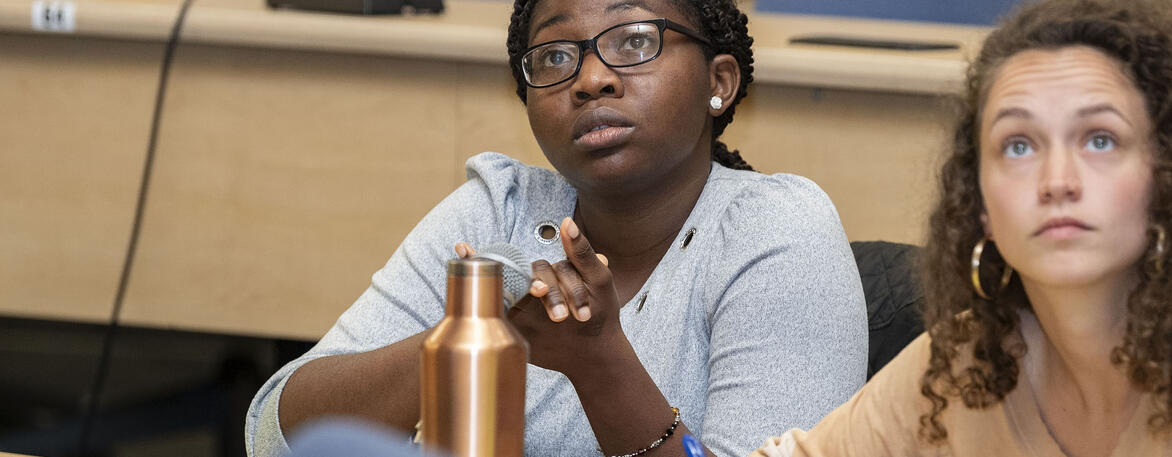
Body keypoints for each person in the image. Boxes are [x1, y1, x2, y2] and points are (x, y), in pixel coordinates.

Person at [752, 0, 1172, 455]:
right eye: (1018, 146)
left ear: (1171, 180)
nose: (1057, 179)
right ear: (981, 207)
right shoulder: (962, 367)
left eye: (1100, 139)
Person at [244, 0, 869, 455]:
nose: (591, 78)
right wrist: (467, 337)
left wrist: (599, 365)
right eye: (556, 57)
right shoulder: (499, 209)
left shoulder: (775, 229)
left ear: (720, 82)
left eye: (634, 41)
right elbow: (276, 436)